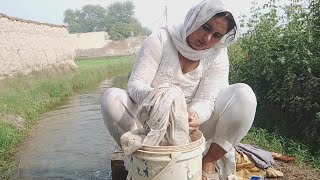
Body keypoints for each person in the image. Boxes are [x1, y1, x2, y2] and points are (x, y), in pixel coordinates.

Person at [101, 0, 257, 179]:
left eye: (216, 35)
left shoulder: (217, 54)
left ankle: (209, 160)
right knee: (111, 98)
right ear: (194, 19)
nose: (207, 39)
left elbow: (207, 99)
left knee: (244, 95)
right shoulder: (161, 39)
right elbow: (136, 84)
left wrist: (195, 115)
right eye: (205, 27)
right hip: (151, 122)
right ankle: (140, 154)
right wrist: (162, 100)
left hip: (193, 127)